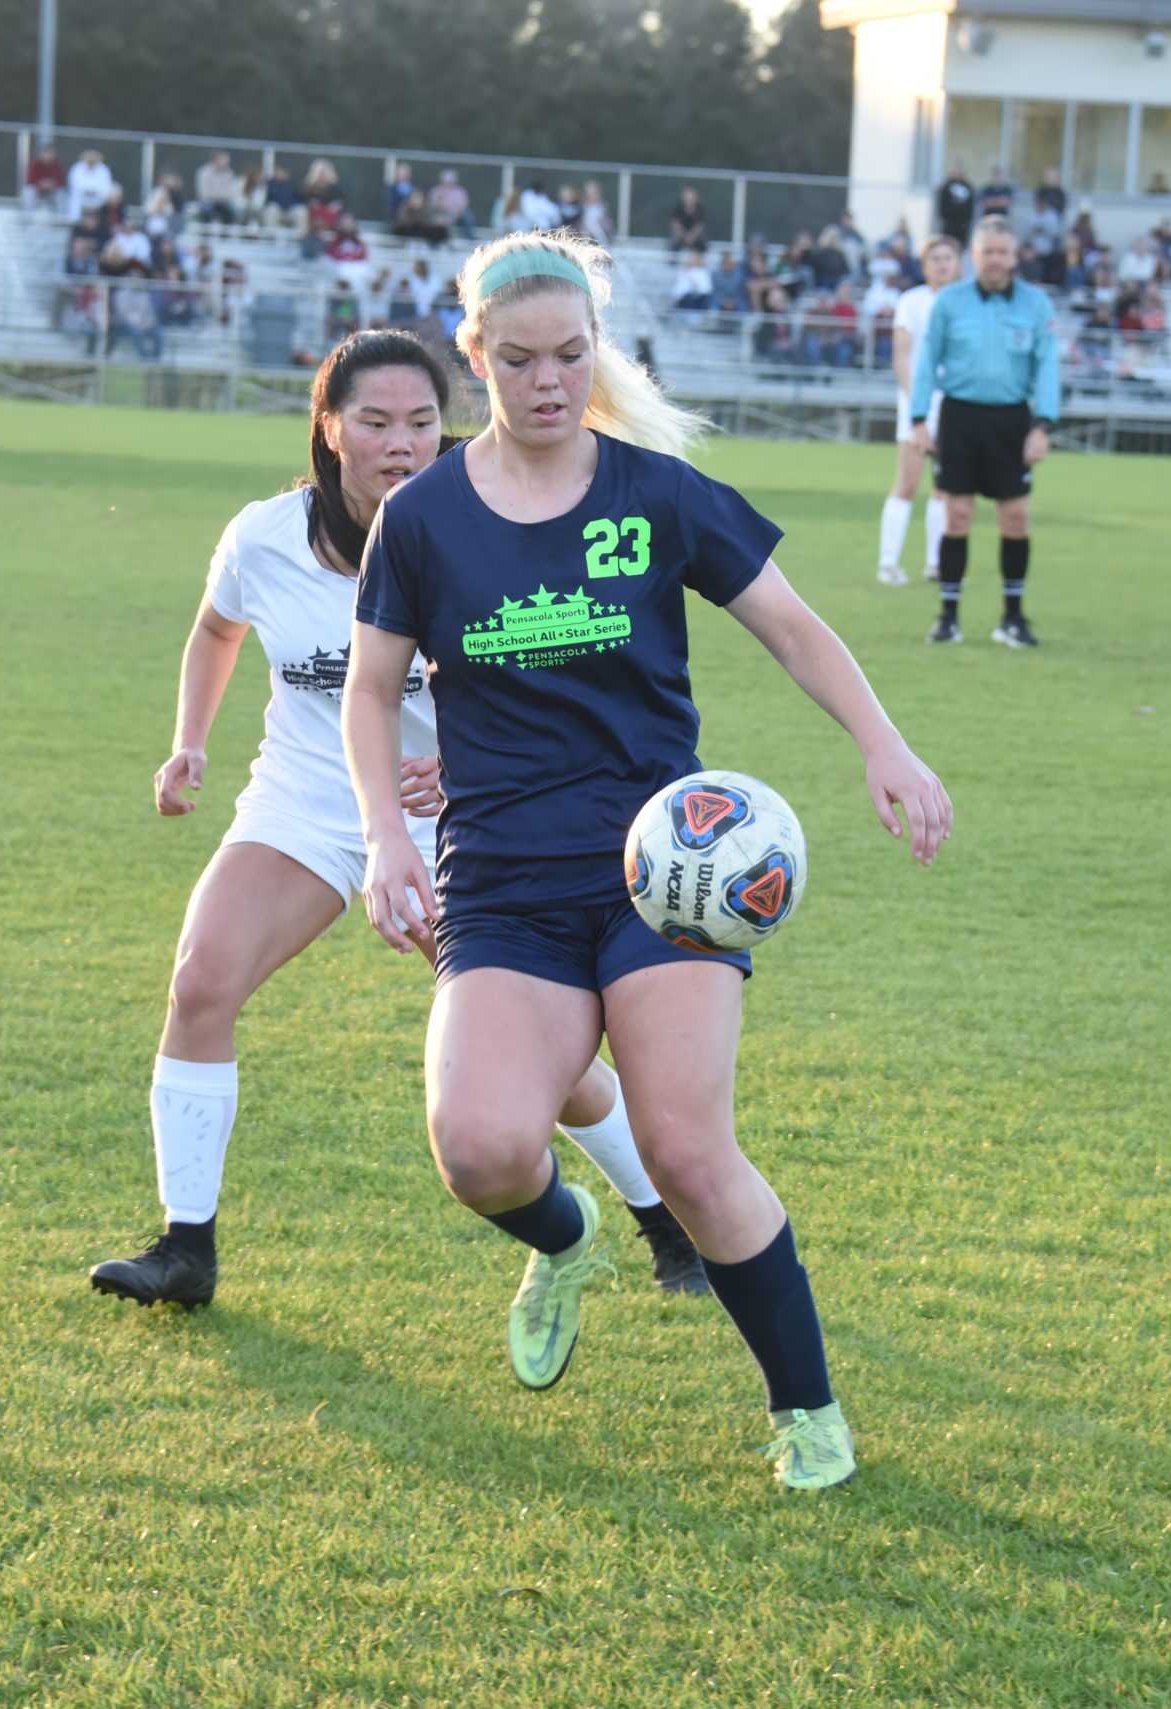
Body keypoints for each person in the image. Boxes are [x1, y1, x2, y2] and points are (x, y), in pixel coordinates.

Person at [342, 230, 951, 1492]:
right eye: (519, 359)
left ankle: (807, 1409)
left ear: (595, 351)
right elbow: (370, 692)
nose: (550, 379)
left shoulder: (656, 491)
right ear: (476, 357)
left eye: (572, 353)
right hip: (502, 879)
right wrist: (385, 834)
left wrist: (884, 744)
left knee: (684, 1144)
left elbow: (790, 623)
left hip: (662, 876)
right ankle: (565, 1238)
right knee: (482, 1149)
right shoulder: (423, 515)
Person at [90, 331, 714, 1311]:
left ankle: (660, 1218)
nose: (401, 443)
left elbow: (567, 688)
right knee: (200, 977)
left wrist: (458, 763)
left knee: (538, 1068)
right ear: (329, 429)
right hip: (304, 801)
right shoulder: (263, 537)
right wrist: (190, 742)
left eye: (422, 421)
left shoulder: (480, 532)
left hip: (461, 823)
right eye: (374, 422)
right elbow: (218, 627)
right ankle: (186, 1245)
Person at [905, 217, 1059, 649]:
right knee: (957, 515)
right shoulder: (950, 302)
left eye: (1002, 252)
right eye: (987, 252)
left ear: (1014, 256)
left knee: (1016, 518)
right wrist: (919, 418)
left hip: (1012, 420)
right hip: (960, 418)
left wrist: (1043, 425)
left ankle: (1012, 617)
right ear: (973, 257)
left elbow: (1048, 366)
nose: (995, 260)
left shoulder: (1035, 305)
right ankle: (948, 617)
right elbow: (926, 361)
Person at [878, 233, 961, 586]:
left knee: (945, 485)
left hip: (955, 402)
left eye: (948, 258)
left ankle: (935, 563)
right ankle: (888, 563)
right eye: (936, 259)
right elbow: (902, 357)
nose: (943, 264)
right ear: (925, 265)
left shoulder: (963, 301)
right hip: (917, 403)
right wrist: (918, 405)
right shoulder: (911, 301)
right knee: (908, 482)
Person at [933, 160, 975, 247]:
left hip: (962, 226)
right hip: (949, 226)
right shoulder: (946, 187)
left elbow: (970, 206)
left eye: (959, 169)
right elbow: (941, 205)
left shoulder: (968, 187)